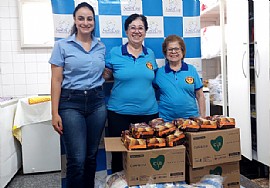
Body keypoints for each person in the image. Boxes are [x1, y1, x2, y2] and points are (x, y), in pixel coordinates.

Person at [49, 2, 107, 188]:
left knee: (91, 157)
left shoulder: (100, 47)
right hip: (70, 103)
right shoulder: (62, 46)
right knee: (77, 159)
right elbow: (56, 80)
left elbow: (102, 73)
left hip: (96, 103)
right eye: (81, 18)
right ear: (75, 20)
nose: (85, 22)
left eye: (89, 18)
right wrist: (54, 113)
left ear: (94, 22)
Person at [103, 13, 159, 173]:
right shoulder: (115, 52)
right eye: (132, 27)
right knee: (119, 158)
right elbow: (105, 75)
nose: (137, 31)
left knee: (147, 156)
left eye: (141, 28)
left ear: (145, 32)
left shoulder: (150, 54)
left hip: (149, 114)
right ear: (126, 31)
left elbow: (151, 78)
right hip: (119, 114)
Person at [154, 35, 206, 122]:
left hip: (191, 120)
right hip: (166, 122)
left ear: (182, 51)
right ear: (165, 52)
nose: (173, 52)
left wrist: (203, 117)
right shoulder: (159, 73)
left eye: (177, 49)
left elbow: (200, 95)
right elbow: (151, 95)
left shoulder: (191, 70)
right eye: (170, 49)